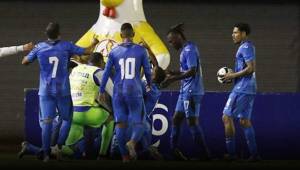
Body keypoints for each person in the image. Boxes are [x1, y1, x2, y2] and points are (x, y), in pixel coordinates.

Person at [22, 22, 99, 162]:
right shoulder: (66, 46)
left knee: (47, 122)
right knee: (67, 119)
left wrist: (33, 53)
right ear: (59, 33)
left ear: (46, 34)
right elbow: (87, 51)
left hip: (46, 91)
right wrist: (93, 42)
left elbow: (25, 62)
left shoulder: (39, 47)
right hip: (62, 91)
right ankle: (58, 146)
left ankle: (45, 153)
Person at [100, 23, 152, 162]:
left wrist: (101, 90)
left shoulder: (113, 52)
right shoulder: (141, 51)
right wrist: (150, 85)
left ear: (121, 35)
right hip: (134, 90)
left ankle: (124, 156)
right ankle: (133, 142)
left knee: (120, 124)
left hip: (118, 91)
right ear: (133, 34)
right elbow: (147, 71)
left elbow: (105, 73)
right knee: (139, 121)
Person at [162, 23, 210, 160]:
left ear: (178, 37)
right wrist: (172, 72)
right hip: (185, 91)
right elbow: (187, 70)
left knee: (192, 122)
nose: (171, 44)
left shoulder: (189, 50)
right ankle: (174, 151)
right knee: (176, 119)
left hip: (191, 92)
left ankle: (205, 155)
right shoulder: (187, 48)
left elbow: (192, 71)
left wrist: (172, 79)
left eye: (171, 41)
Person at [63, 52, 114, 159]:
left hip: (71, 114)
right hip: (87, 113)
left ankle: (32, 149)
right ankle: (103, 154)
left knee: (67, 149)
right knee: (110, 119)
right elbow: (115, 94)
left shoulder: (76, 69)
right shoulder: (99, 72)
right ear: (100, 62)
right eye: (103, 62)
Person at [221, 23, 260, 161]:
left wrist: (233, 75)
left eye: (236, 32)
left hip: (243, 88)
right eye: (233, 32)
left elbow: (250, 68)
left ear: (244, 33)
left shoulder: (246, 47)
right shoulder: (246, 47)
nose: (233, 35)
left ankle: (231, 155)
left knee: (226, 117)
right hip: (248, 87)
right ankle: (254, 155)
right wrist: (234, 74)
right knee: (244, 121)